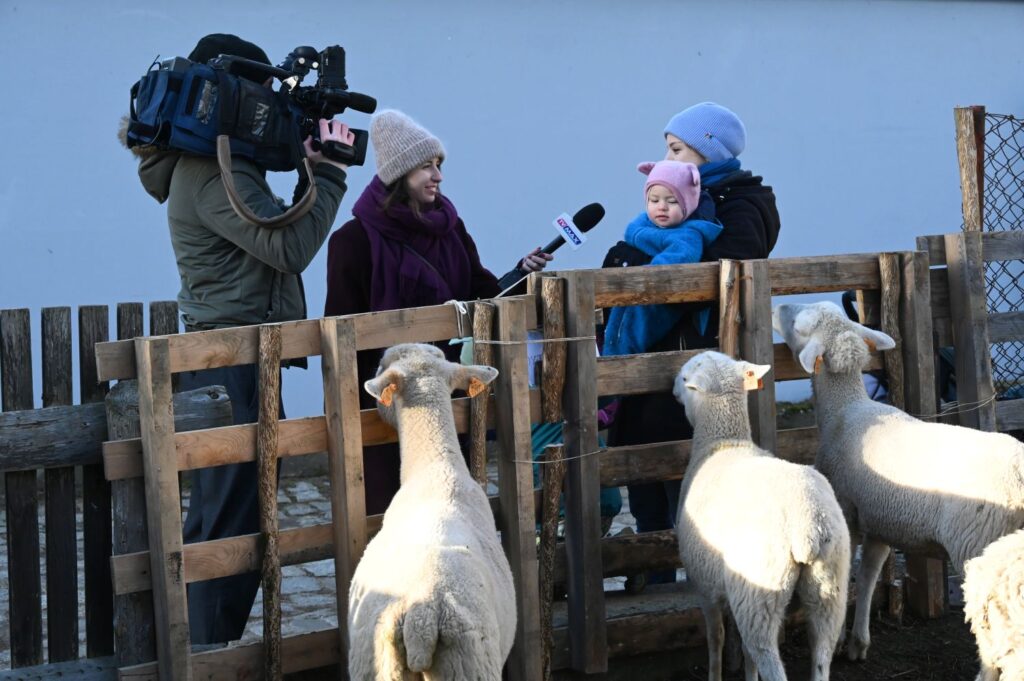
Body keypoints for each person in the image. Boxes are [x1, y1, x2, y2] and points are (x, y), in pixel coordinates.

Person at [124, 33, 355, 644]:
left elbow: (271, 233)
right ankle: (204, 652)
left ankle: (211, 647)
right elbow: (288, 245)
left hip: (241, 353)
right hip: (225, 360)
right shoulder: (209, 173)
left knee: (241, 510)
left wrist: (308, 162)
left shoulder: (221, 168)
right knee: (226, 517)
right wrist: (328, 176)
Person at [324, 109, 552, 515]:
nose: (438, 176)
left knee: (447, 510)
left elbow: (481, 293)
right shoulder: (353, 241)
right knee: (391, 517)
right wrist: (367, 409)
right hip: (386, 406)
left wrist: (520, 272)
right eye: (427, 166)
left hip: (447, 399)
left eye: (439, 165)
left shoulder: (451, 228)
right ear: (401, 172)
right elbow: (341, 332)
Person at [604, 102, 781, 587]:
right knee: (645, 484)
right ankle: (651, 583)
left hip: (699, 367)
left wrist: (653, 266)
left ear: (707, 149)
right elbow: (637, 253)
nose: (669, 155)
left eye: (677, 147)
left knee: (692, 487)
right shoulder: (677, 198)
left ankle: (707, 591)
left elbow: (733, 263)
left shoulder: (741, 202)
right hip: (652, 369)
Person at [602, 160, 722, 359]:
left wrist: (639, 275)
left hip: (654, 307)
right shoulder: (644, 225)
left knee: (628, 343)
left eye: (672, 201)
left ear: (689, 203)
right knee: (614, 339)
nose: (662, 207)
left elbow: (673, 263)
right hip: (628, 303)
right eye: (654, 200)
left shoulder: (688, 235)